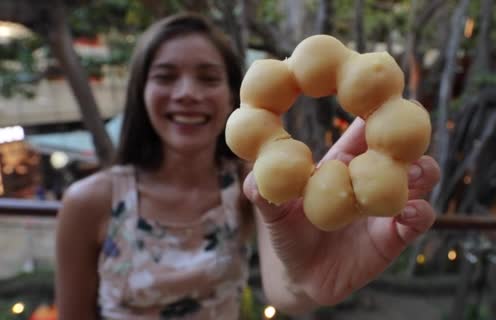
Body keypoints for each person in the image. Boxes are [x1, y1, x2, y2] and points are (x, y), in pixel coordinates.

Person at [55, 12, 441, 319]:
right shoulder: (88, 202)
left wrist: (316, 273)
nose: (187, 93)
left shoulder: (255, 188)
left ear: (231, 97)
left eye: (208, 78)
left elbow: (286, 292)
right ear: (140, 92)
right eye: (166, 76)